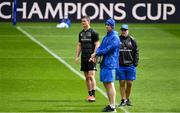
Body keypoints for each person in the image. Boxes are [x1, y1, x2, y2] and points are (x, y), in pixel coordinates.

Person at [90, 18, 120, 112]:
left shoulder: (115, 37)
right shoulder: (106, 37)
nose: (106, 26)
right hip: (104, 63)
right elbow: (101, 47)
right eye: (106, 24)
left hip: (110, 63)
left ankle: (112, 106)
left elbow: (108, 49)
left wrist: (96, 54)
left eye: (108, 25)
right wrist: (96, 53)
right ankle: (110, 104)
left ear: (112, 26)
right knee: (105, 83)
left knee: (110, 84)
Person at [75, 16, 100, 102]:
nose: (83, 23)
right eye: (82, 21)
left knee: (91, 76)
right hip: (84, 57)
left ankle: (93, 95)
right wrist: (77, 56)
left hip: (92, 58)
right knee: (86, 77)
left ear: (88, 22)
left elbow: (97, 44)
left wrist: (94, 54)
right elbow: (79, 45)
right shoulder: (81, 33)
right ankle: (90, 94)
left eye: (84, 21)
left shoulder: (93, 33)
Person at [116, 24, 139, 107]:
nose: (123, 31)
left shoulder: (132, 40)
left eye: (125, 30)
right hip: (120, 65)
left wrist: (135, 62)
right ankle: (123, 99)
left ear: (127, 30)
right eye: (122, 30)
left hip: (130, 65)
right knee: (122, 82)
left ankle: (127, 98)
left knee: (129, 83)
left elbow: (136, 51)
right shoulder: (117, 39)